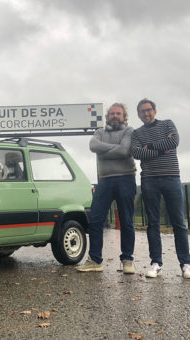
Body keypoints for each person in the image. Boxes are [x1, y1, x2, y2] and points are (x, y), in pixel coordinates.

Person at [131, 98, 190, 280]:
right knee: (153, 223)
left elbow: (174, 142)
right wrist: (161, 149)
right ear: (138, 114)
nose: (146, 113)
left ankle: (185, 264)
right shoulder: (136, 133)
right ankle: (156, 263)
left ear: (155, 111)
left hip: (171, 177)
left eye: (149, 110)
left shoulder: (168, 124)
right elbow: (137, 153)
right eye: (143, 111)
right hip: (149, 180)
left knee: (179, 223)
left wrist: (150, 147)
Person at [76, 103, 136, 274]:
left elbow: (125, 150)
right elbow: (93, 146)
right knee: (95, 219)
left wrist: (104, 152)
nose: (115, 116)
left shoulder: (129, 131)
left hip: (126, 178)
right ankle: (95, 260)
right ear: (107, 116)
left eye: (118, 113)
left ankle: (127, 260)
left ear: (124, 116)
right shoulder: (99, 132)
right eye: (112, 114)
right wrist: (116, 150)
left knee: (126, 221)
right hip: (104, 181)